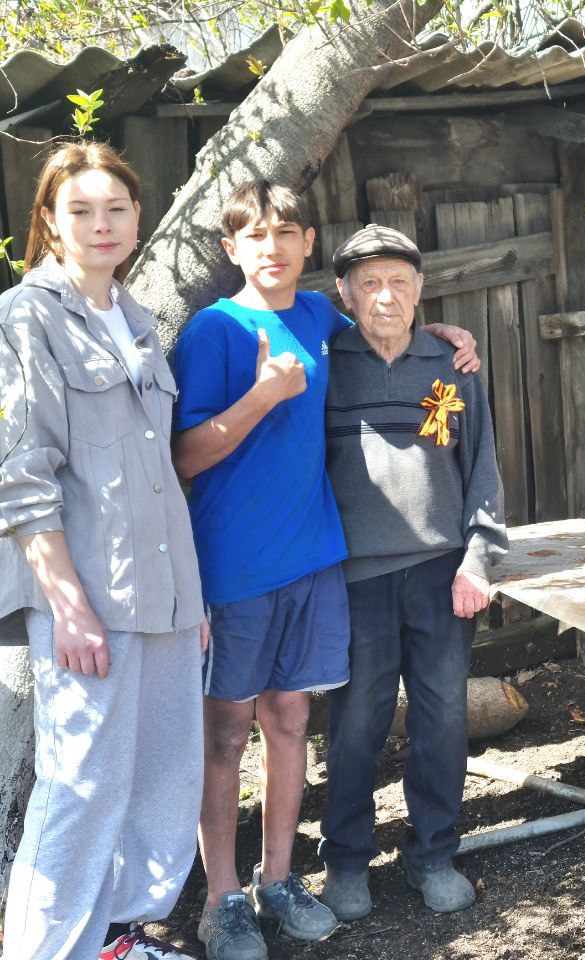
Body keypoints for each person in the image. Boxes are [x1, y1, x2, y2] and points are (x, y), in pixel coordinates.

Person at [171, 183, 478, 960]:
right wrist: (262, 396)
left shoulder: (317, 318)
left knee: (290, 724)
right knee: (225, 734)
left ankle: (278, 881)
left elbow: (385, 318)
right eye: (255, 235)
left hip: (313, 561)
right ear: (231, 248)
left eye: (287, 233)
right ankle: (221, 900)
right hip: (235, 566)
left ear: (308, 244)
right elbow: (183, 457)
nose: (272, 247)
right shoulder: (213, 331)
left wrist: (444, 332)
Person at [0, 141, 206, 960]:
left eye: (115, 208)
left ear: (137, 217)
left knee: (163, 777)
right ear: (50, 223)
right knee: (81, 786)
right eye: (79, 210)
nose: (100, 223)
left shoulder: (138, 318)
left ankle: (117, 940)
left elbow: (158, 474)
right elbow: (21, 475)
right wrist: (68, 605)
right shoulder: (26, 316)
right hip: (89, 597)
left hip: (166, 594)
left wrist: (192, 601)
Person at [317, 224, 506, 920]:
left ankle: (432, 854)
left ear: (421, 288)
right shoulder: (323, 364)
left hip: (440, 572)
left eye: (399, 281)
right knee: (354, 726)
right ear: (345, 293)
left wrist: (478, 560)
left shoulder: (452, 364)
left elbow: (481, 468)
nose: (385, 296)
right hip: (355, 578)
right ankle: (345, 861)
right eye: (369, 283)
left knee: (442, 720)